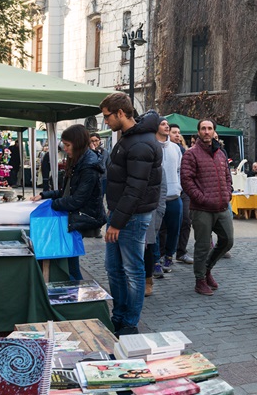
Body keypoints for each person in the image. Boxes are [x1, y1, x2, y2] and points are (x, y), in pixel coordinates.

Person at [99, 93, 162, 337]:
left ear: (121, 113)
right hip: (121, 214)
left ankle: (129, 322)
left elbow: (135, 189)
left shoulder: (140, 143)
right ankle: (119, 316)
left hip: (131, 217)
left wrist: (116, 222)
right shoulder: (130, 138)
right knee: (113, 268)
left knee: (132, 270)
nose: (105, 121)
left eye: (107, 116)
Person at [30, 124, 106, 280]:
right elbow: (66, 191)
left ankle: (77, 296)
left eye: (67, 145)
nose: (65, 148)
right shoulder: (78, 160)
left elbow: (77, 199)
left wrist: (50, 204)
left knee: (71, 265)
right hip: (73, 216)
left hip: (80, 217)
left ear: (77, 144)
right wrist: (45, 195)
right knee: (70, 262)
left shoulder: (88, 166)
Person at [181, 118, 234, 296]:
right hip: (201, 208)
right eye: (203, 128)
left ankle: (207, 268)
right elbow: (187, 181)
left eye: (209, 128)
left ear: (213, 131)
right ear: (198, 132)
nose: (206, 131)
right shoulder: (191, 154)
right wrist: (202, 198)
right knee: (203, 246)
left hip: (221, 206)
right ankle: (200, 280)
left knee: (227, 240)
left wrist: (228, 194)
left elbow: (227, 176)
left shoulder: (220, 153)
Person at [153, 117, 183, 274]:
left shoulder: (176, 148)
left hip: (174, 196)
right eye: (162, 124)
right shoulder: (150, 146)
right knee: (155, 231)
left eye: (167, 124)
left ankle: (169, 257)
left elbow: (179, 170)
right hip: (156, 198)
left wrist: (178, 187)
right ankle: (156, 260)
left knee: (174, 229)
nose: (166, 126)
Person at [169, 123, 193, 264]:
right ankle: (165, 253)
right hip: (170, 191)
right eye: (174, 132)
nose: (177, 135)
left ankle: (181, 251)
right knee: (168, 224)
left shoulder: (184, 150)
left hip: (184, 190)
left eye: (179, 132)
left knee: (186, 220)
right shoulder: (163, 149)